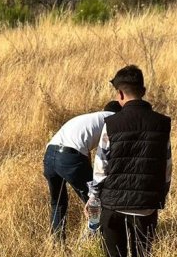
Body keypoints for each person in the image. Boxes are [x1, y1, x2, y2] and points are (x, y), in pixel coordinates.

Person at [87, 66, 172, 257]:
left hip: (114, 206)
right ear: (143, 91)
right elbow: (166, 166)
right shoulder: (162, 123)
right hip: (146, 207)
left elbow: (101, 166)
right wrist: (159, 197)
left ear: (120, 95)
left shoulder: (112, 123)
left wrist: (94, 198)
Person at [43, 101, 122, 238]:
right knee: (96, 201)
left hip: (49, 155)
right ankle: (94, 238)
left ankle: (57, 244)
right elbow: (107, 155)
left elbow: (87, 153)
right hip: (70, 158)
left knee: (58, 202)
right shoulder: (114, 120)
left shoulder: (89, 118)